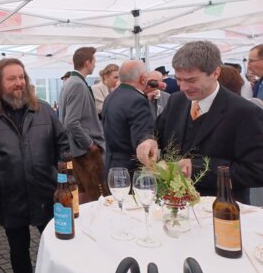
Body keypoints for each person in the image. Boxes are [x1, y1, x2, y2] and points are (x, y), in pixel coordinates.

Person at [0, 58, 69, 273]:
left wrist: (65, 182)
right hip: (10, 200)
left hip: (47, 194)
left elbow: (63, 146)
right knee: (18, 252)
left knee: (57, 247)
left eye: (22, 77)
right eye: (12, 78)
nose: (19, 83)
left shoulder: (43, 110)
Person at [137, 41, 263, 204]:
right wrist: (149, 140)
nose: (183, 87)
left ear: (215, 73)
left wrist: (195, 168)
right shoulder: (176, 101)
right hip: (173, 205)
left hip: (220, 210)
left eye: (191, 80)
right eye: (179, 79)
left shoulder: (245, 113)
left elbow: (257, 171)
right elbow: (156, 131)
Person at [58, 46, 107, 203]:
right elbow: (71, 122)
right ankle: (82, 224)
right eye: (94, 61)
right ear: (87, 62)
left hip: (79, 150)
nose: (94, 65)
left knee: (85, 192)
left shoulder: (70, 82)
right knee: (93, 195)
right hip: (85, 152)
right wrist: (90, 144)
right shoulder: (77, 84)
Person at [102, 60, 154, 176]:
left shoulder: (110, 96)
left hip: (111, 167)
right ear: (143, 79)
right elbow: (141, 141)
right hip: (130, 172)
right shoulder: (137, 100)